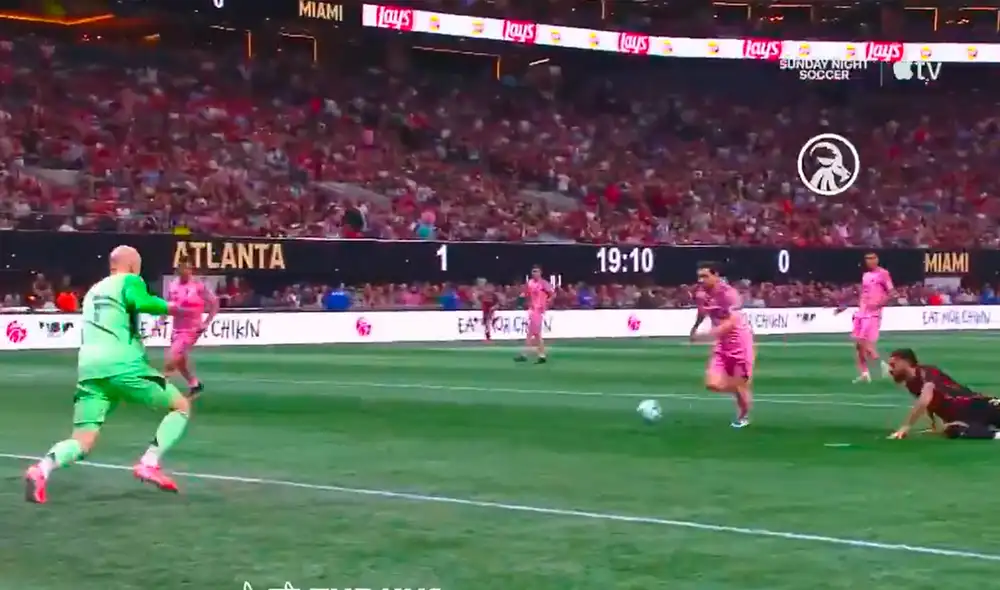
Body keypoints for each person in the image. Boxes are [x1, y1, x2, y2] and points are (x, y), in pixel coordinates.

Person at [24, 245, 193, 504]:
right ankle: (149, 462)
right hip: (123, 364)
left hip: (90, 370)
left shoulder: (93, 290)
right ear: (133, 266)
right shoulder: (129, 280)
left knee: (82, 440)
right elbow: (143, 302)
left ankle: (42, 469)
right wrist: (173, 307)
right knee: (180, 406)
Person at [690, 262, 755, 428]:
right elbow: (702, 311)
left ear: (716, 275)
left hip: (740, 343)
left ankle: (744, 416)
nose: (701, 280)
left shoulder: (729, 294)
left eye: (705, 276)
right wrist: (695, 327)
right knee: (712, 384)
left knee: (739, 385)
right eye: (699, 276)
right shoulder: (700, 294)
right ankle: (739, 386)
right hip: (722, 344)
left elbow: (733, 321)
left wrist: (710, 334)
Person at [887, 348, 1000, 440]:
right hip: (962, 416)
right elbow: (930, 404)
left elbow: (924, 400)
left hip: (978, 406)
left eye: (893, 364)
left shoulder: (926, 372)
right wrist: (934, 426)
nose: (890, 370)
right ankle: (993, 434)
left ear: (905, 362)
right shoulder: (911, 383)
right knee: (952, 430)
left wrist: (905, 427)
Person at [165, 261, 218, 398]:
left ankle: (162, 384)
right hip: (177, 327)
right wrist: (162, 318)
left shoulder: (198, 286)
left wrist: (206, 322)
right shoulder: (173, 285)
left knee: (174, 355)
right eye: (182, 269)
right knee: (181, 361)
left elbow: (214, 303)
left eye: (188, 269)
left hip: (192, 329)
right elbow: (169, 304)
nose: (186, 271)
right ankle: (194, 384)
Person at [837, 252, 893, 383]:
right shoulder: (866, 276)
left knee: (864, 342)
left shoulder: (883, 274)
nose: (870, 261)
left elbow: (892, 293)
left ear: (877, 260)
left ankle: (884, 366)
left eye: (872, 258)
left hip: (872, 314)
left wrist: (878, 304)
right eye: (867, 259)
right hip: (861, 313)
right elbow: (863, 294)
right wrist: (846, 306)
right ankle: (864, 374)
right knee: (858, 345)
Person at [515, 266, 553, 364]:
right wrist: (520, 298)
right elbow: (526, 293)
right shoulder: (530, 283)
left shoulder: (543, 283)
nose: (534, 274)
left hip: (538, 310)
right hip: (532, 309)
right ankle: (537, 355)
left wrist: (546, 302)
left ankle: (533, 355)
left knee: (534, 333)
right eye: (533, 272)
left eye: (536, 272)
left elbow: (552, 293)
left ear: (540, 273)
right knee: (533, 333)